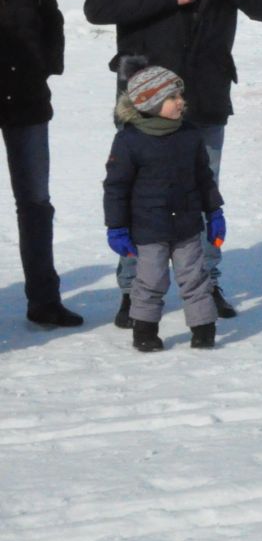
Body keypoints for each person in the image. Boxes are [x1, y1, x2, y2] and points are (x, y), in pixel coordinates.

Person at [84, 0, 262, 324]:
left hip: (206, 94)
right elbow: (96, 8)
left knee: (204, 192)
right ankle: (134, 291)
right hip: (145, 100)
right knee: (141, 194)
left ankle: (207, 284)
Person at [0, 0, 80, 329]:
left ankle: (44, 301)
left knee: (35, 202)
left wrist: (46, 65)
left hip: (28, 98)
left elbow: (52, 18)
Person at [104, 66, 223, 352]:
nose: (181, 101)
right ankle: (144, 332)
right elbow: (116, 188)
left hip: (187, 225)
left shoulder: (189, 134)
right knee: (150, 282)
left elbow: (204, 177)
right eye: (172, 97)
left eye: (180, 94)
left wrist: (214, 211)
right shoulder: (129, 141)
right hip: (148, 228)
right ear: (149, 103)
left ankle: (203, 330)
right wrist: (117, 227)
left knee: (195, 278)